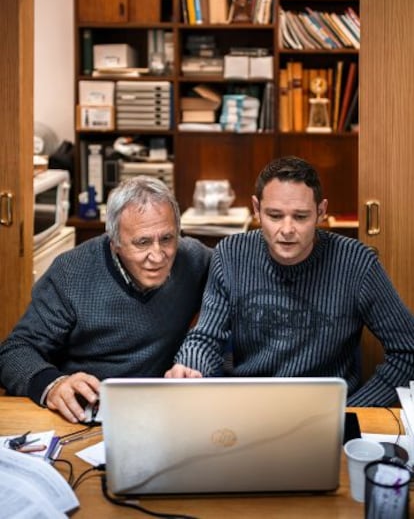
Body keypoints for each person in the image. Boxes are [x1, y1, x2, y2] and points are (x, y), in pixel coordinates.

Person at [166, 156, 414, 407]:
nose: (287, 229)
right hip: (248, 408)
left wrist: (351, 413)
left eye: (300, 217)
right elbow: (207, 336)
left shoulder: (357, 263)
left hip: (324, 413)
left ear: (321, 211)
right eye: (274, 215)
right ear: (256, 208)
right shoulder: (230, 254)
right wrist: (189, 365)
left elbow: (408, 351)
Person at [0, 176, 211, 422]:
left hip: (160, 411)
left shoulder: (193, 259)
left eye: (167, 238)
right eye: (142, 243)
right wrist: (54, 384)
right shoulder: (71, 273)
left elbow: (235, 271)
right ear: (115, 243)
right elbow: (14, 352)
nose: (158, 255)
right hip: (85, 414)